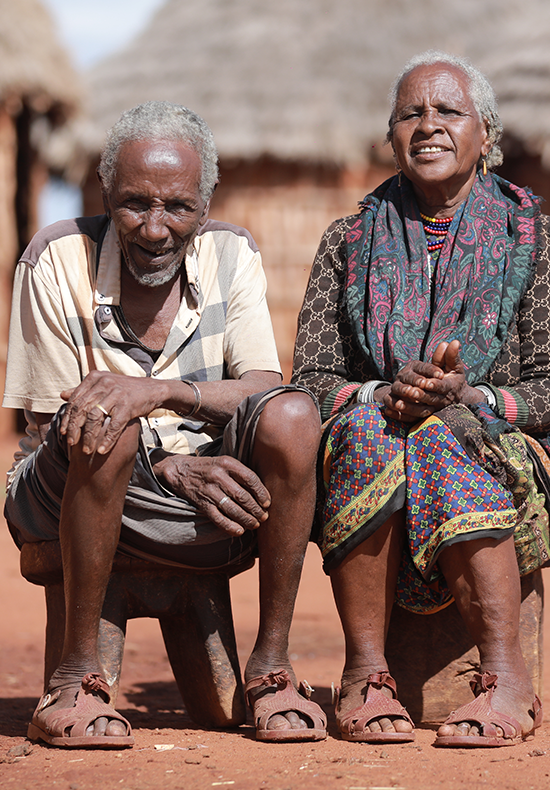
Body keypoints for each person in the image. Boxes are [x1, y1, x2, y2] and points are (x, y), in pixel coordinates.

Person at [3, 101, 326, 747]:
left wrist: (161, 392)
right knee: (103, 416)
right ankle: (74, 678)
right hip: (68, 491)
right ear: (105, 193)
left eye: (177, 207)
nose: (154, 228)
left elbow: (263, 388)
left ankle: (272, 667)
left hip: (213, 499)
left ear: (206, 204)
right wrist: (168, 462)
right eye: (134, 204)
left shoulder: (231, 255)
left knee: (293, 415)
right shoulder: (56, 257)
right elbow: (43, 429)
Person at [292, 51, 549, 747]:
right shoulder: (347, 241)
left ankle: (505, 678)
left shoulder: (535, 240)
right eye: (411, 113)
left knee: (442, 432)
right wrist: (381, 391)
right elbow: (310, 380)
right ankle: (366, 675)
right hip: (375, 437)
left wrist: (474, 395)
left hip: (501, 446)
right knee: (372, 432)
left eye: (448, 111)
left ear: (487, 135)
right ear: (390, 136)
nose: (428, 125)